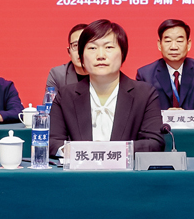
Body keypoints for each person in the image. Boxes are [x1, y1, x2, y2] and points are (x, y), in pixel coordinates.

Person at [49, 19, 165, 156]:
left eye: (108, 47)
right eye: (92, 48)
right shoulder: (66, 95)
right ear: (82, 57)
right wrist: (79, 153)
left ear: (122, 53)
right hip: (80, 169)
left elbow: (154, 142)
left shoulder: (144, 94)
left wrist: (110, 152)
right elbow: (52, 141)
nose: (100, 56)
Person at [135, 19, 194, 120]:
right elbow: (139, 109)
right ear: (159, 44)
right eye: (168, 41)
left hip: (192, 128)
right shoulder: (145, 75)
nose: (174, 47)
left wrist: (185, 116)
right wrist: (166, 116)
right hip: (159, 128)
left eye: (179, 41)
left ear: (188, 44)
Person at [46, 23, 89, 92]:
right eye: (75, 45)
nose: (80, 51)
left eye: (85, 45)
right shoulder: (57, 75)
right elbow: (50, 99)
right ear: (69, 52)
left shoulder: (104, 73)